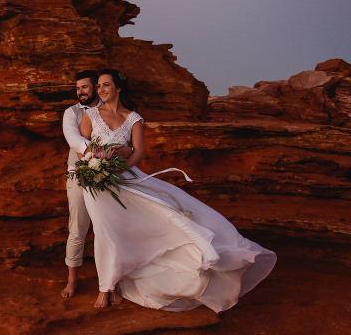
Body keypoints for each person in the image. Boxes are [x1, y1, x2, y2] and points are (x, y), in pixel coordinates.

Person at [78, 69, 277, 311]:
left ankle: (117, 283)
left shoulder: (133, 119)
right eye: (98, 86)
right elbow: (82, 150)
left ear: (118, 88)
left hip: (125, 178)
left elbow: (139, 152)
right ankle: (105, 287)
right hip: (95, 182)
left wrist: (117, 170)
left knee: (149, 221)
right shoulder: (90, 115)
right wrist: (95, 169)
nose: (100, 90)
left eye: (106, 85)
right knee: (106, 231)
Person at [61, 70, 133, 297]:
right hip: (80, 175)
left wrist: (127, 151)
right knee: (78, 228)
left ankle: (113, 281)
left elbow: (128, 142)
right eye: (78, 88)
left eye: (85, 87)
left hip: (111, 175)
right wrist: (98, 157)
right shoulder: (72, 112)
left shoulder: (113, 110)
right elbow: (74, 140)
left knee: (112, 230)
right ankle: (72, 279)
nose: (80, 91)